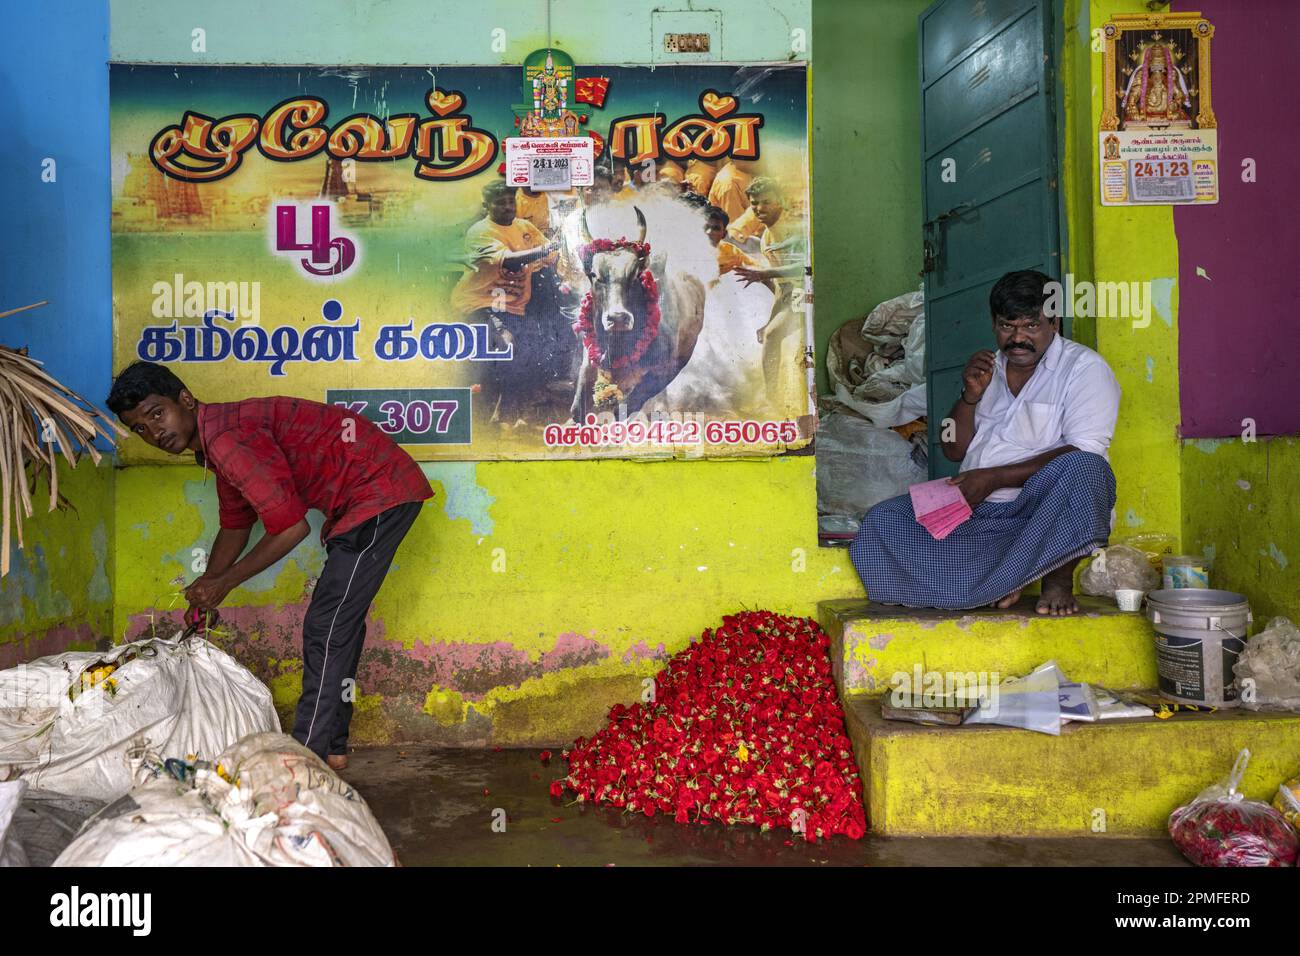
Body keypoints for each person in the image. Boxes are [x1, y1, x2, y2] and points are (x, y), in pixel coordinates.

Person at [105, 361, 432, 770]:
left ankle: (303, 759)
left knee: (325, 624)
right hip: (365, 501)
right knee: (338, 624)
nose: (154, 433)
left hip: (379, 492)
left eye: (157, 413)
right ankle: (332, 749)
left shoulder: (226, 437)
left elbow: (291, 528)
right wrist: (208, 586)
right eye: (140, 428)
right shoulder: (215, 442)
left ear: (185, 400)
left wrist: (225, 584)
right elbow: (236, 525)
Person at [850, 270, 1122, 616]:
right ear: (994, 324)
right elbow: (952, 448)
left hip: (1035, 511)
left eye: (1031, 326)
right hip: (976, 510)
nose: (1018, 338)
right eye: (1008, 326)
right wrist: (969, 397)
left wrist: (994, 478)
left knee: (1087, 470)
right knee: (885, 519)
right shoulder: (987, 369)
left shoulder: (1084, 369)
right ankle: (1003, 579)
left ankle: (1056, 579)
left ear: (1054, 322)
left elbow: (1085, 449)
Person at [450, 180, 560, 427]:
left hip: (513, 307)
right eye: (500, 202)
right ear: (486, 206)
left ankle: (504, 416)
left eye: (511, 201)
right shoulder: (480, 232)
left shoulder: (525, 227)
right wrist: (547, 249)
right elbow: (510, 261)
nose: (508, 207)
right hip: (478, 302)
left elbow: (554, 257)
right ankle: (487, 415)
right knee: (507, 345)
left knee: (530, 351)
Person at [732, 178, 806, 404]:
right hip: (794, 296)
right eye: (754, 203)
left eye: (766, 202)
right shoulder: (766, 238)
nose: (759, 208)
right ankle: (775, 396)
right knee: (770, 335)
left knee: (774, 336)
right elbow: (782, 289)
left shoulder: (792, 229)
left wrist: (764, 275)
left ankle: (773, 399)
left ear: (779, 202)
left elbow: (804, 269)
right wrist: (770, 320)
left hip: (813, 293)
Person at [703, 204, 754, 278]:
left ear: (724, 234)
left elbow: (757, 269)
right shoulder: (686, 248)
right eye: (705, 227)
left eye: (716, 228)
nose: (709, 232)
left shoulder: (732, 252)